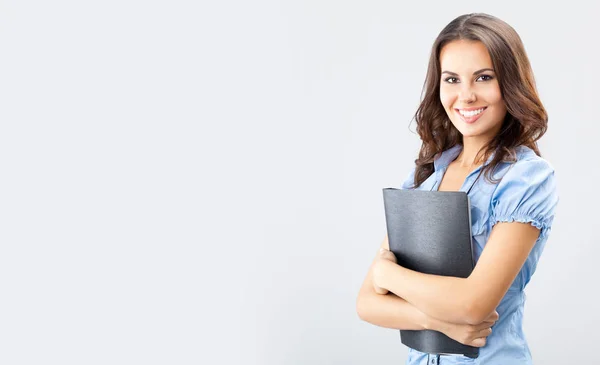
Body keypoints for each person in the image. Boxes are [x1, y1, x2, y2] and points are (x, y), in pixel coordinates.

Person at [356, 13, 559, 365]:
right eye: (452, 79)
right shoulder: (425, 177)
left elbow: (473, 304)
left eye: (483, 77)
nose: (465, 96)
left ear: (509, 83)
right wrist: (433, 320)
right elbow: (367, 303)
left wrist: (387, 274)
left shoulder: (526, 179)